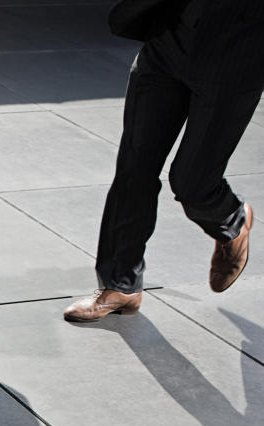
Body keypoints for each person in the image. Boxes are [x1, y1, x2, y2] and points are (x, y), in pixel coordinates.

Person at [64, 0, 264, 323]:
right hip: (170, 33)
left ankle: (232, 220)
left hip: (237, 50)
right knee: (135, 163)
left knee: (192, 183)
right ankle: (121, 284)